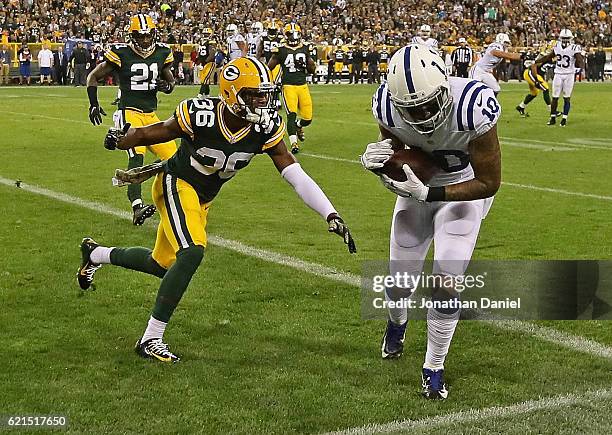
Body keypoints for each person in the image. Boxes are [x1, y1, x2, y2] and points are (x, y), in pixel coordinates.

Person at [78, 57, 356, 363]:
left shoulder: (264, 128)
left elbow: (293, 172)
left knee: (162, 266)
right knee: (193, 251)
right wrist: (120, 140)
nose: (262, 102)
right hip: (176, 182)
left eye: (264, 94)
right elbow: (151, 133)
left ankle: (95, 254)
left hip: (202, 199)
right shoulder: (201, 115)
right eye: (253, 95)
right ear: (230, 94)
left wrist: (330, 212)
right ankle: (151, 338)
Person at [361, 44, 501, 399]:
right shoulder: (386, 107)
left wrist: (431, 195)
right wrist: (378, 160)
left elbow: (489, 182)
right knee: (400, 283)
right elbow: (396, 154)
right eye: (412, 109)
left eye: (428, 103)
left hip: (462, 189)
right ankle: (396, 324)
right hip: (415, 191)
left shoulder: (472, 106)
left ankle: (433, 367)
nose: (423, 115)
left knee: (445, 281)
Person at [86, 14, 177, 225]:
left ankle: (166, 196)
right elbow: (93, 76)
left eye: (148, 36)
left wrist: (167, 86)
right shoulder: (121, 53)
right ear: (132, 35)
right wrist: (93, 103)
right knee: (137, 155)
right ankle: (137, 206)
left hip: (151, 115)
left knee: (174, 157)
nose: (145, 40)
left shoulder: (162, 52)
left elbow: (170, 80)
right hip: (129, 112)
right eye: (140, 36)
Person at [268, 23, 316, 154]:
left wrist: (307, 63)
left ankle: (298, 126)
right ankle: (294, 143)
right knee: (291, 115)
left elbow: (312, 70)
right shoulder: (280, 50)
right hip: (288, 86)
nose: (294, 37)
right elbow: (269, 67)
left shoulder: (305, 48)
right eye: (291, 34)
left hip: (303, 86)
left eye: (296, 34)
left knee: (307, 118)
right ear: (286, 35)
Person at [534, 29, 584, 126]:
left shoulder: (574, 48)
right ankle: (552, 117)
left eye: (567, 38)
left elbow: (580, 59)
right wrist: (537, 61)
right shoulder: (557, 46)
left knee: (566, 97)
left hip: (569, 74)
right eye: (564, 38)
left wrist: (581, 69)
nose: (565, 40)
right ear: (561, 38)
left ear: (570, 39)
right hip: (558, 74)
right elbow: (549, 57)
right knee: (555, 97)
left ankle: (564, 118)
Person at [515, 49, 551, 117]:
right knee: (545, 89)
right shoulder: (535, 58)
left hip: (529, 73)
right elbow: (533, 65)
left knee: (534, 93)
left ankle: (521, 107)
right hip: (530, 72)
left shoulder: (538, 58)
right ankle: (552, 110)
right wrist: (536, 80)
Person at [196, 28, 216, 98]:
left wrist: (204, 62)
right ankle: (207, 94)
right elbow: (199, 53)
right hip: (203, 62)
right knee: (203, 79)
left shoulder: (212, 42)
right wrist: (198, 62)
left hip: (209, 62)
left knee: (205, 78)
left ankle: (200, 94)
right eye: (204, 34)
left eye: (207, 34)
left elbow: (212, 54)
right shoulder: (201, 42)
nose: (205, 35)